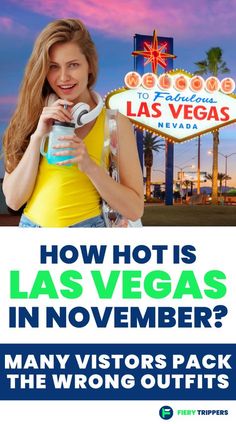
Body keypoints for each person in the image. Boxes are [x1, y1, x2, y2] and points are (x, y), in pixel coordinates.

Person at [2, 19, 144, 227]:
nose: (63, 77)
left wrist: (89, 165)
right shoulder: (31, 116)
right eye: (53, 67)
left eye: (73, 65)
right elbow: (14, 200)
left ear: (89, 66)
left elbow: (134, 209)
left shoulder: (115, 123)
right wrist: (38, 137)